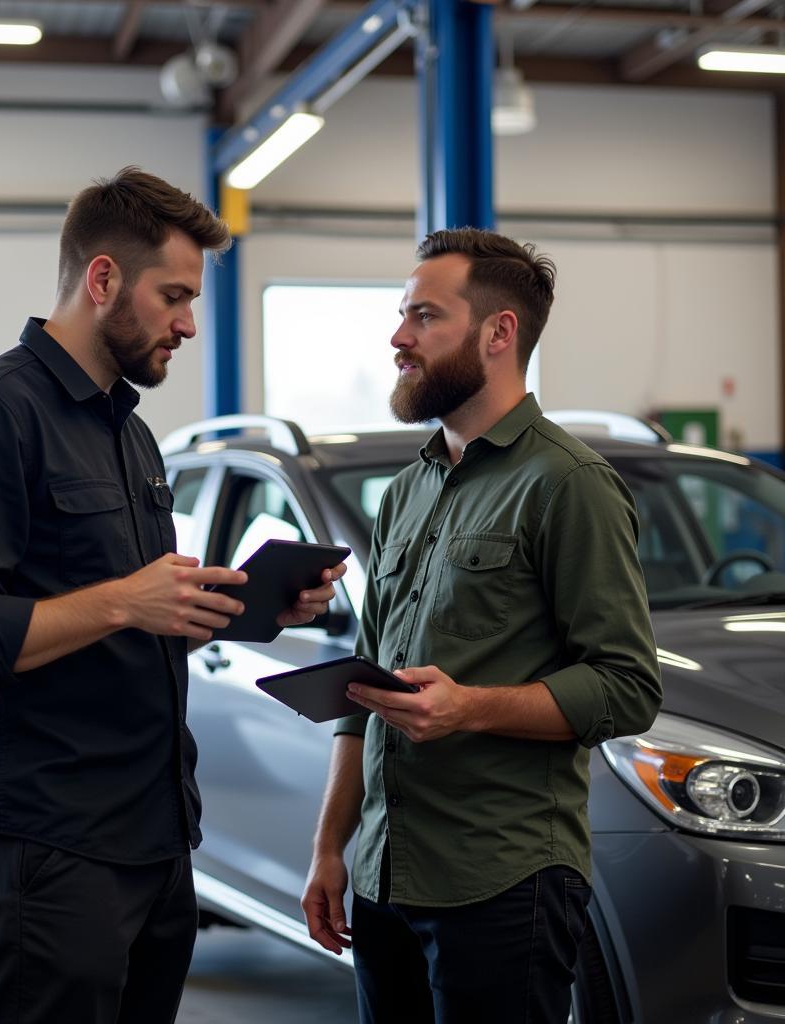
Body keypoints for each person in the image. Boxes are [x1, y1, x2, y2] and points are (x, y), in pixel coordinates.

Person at [0, 167, 344, 1024]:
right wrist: (121, 602)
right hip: (42, 851)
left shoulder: (132, 432)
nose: (187, 323)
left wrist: (244, 608)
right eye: (173, 295)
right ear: (102, 278)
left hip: (152, 838)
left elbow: (138, 617)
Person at [300, 227, 662, 1023]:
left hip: (502, 881)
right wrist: (332, 847)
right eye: (401, 316)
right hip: (385, 876)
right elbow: (363, 687)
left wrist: (470, 707)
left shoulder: (569, 485)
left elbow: (627, 687)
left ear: (499, 333)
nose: (399, 338)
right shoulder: (406, 492)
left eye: (424, 317)